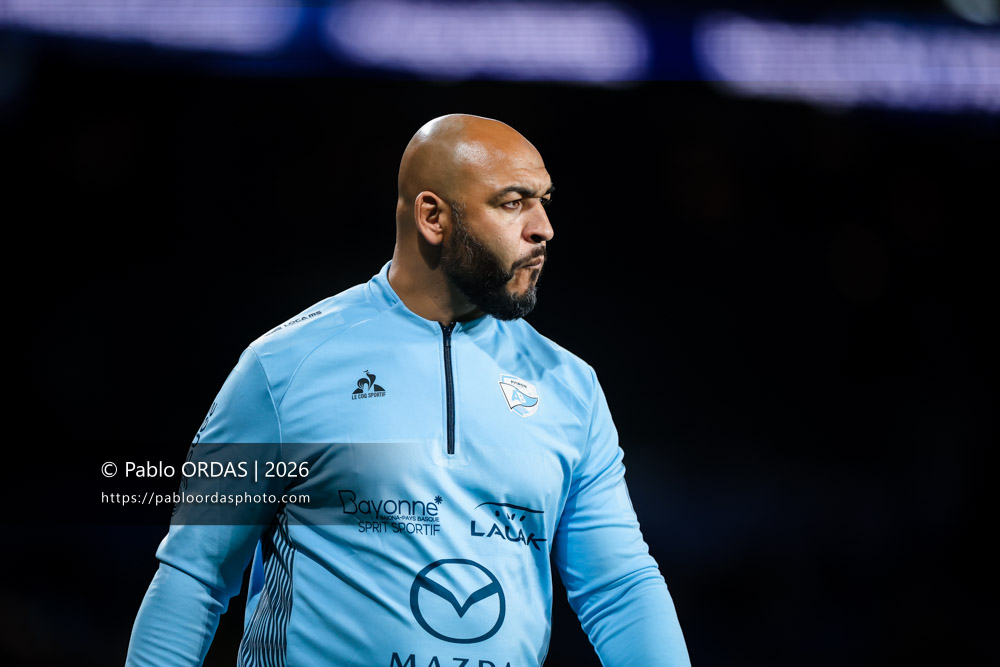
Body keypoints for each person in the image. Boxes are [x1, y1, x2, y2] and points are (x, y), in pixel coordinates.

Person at [126, 114, 690, 666]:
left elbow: (619, 588)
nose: (543, 227)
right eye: (513, 202)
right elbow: (193, 577)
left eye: (543, 201)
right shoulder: (284, 366)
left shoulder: (571, 386)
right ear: (432, 217)